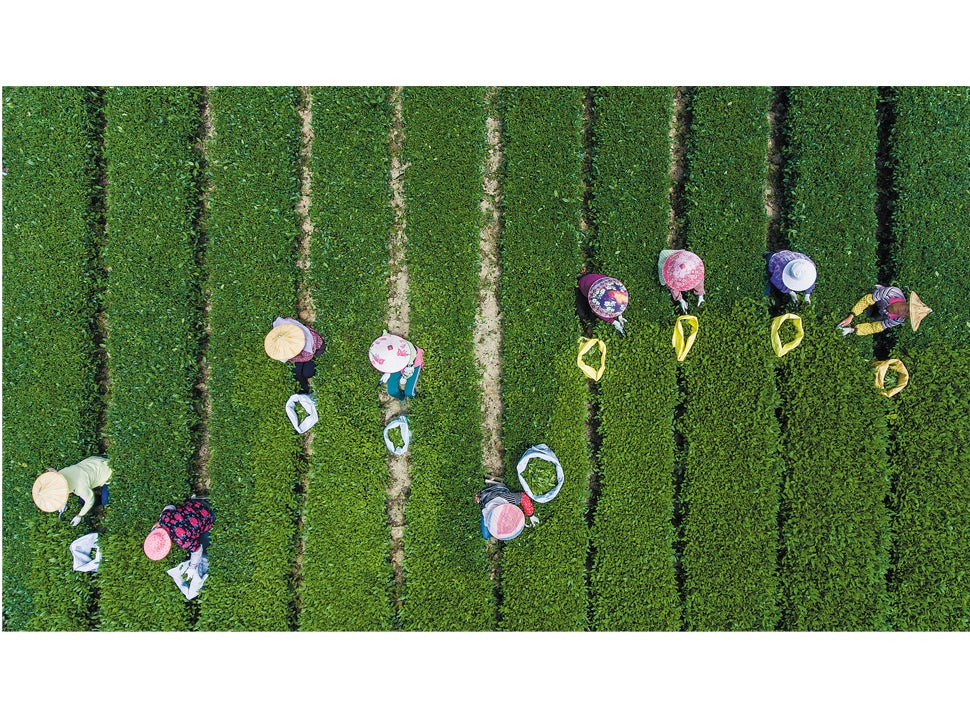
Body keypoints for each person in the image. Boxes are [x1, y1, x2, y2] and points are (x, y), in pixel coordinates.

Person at [32, 456, 111, 526]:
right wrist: (63, 503)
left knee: (105, 501)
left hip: (107, 472)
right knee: (81, 499)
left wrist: (79, 516)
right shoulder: (60, 474)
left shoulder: (80, 488)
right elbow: (58, 482)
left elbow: (90, 500)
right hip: (93, 462)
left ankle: (99, 497)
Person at [143, 496, 214, 571]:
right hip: (196, 504)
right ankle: (202, 500)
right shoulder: (165, 517)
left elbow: (198, 550)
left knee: (204, 542)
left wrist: (192, 567)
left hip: (208, 516)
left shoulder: (182, 540)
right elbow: (170, 507)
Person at [264, 316, 326, 392]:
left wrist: (294, 357)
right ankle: (305, 389)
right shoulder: (282, 325)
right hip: (301, 351)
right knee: (296, 372)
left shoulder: (308, 346)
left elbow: (308, 357)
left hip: (314, 350)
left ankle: (308, 387)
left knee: (307, 373)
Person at [838, 286, 932, 336]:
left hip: (882, 313)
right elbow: (867, 300)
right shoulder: (892, 292)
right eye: (906, 309)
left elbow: (875, 327)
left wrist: (852, 330)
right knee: (869, 307)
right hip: (878, 300)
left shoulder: (898, 320)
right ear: (907, 303)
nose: (902, 313)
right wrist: (851, 316)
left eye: (906, 315)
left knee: (875, 318)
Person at [369, 331, 424, 400]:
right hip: (396, 365)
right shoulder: (387, 342)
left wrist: (404, 378)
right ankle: (402, 397)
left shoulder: (409, 354)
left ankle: (415, 399)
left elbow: (409, 372)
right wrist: (388, 372)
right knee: (392, 391)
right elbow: (385, 334)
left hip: (414, 365)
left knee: (409, 392)